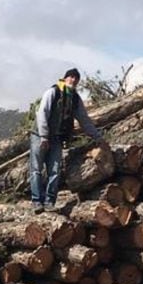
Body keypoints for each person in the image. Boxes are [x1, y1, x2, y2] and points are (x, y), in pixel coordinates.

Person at [30, 68, 105, 213]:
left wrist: (97, 137)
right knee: (36, 170)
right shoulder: (53, 92)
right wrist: (44, 136)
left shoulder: (74, 99)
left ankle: (49, 202)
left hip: (56, 139)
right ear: (65, 78)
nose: (74, 80)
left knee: (55, 171)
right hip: (39, 136)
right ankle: (36, 201)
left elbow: (84, 120)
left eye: (76, 79)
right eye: (71, 77)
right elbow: (42, 114)